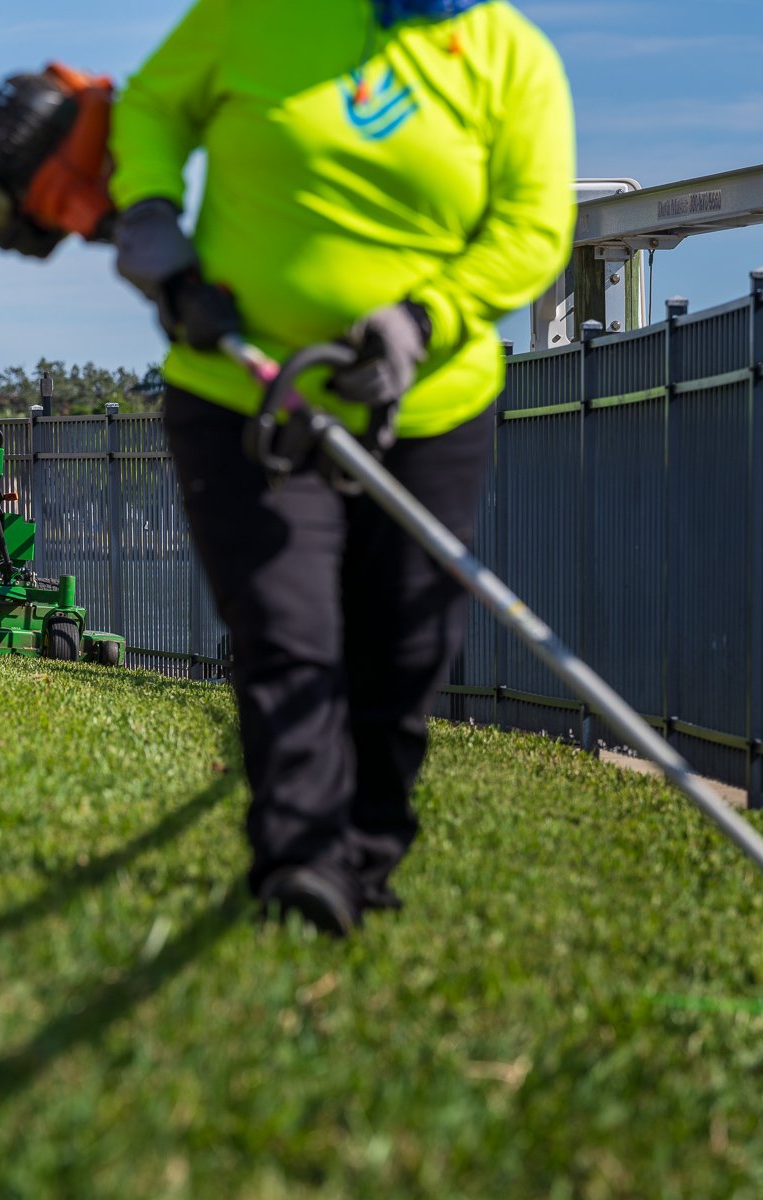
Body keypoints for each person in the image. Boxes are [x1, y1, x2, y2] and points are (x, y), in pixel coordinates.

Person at [110, 0, 577, 935]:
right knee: (288, 632)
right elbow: (151, 107)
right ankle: (302, 862)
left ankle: (367, 848)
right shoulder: (251, 16)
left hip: (427, 406)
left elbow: (531, 227)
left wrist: (425, 318)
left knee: (406, 645)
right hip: (249, 397)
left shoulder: (510, 56)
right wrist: (154, 216)